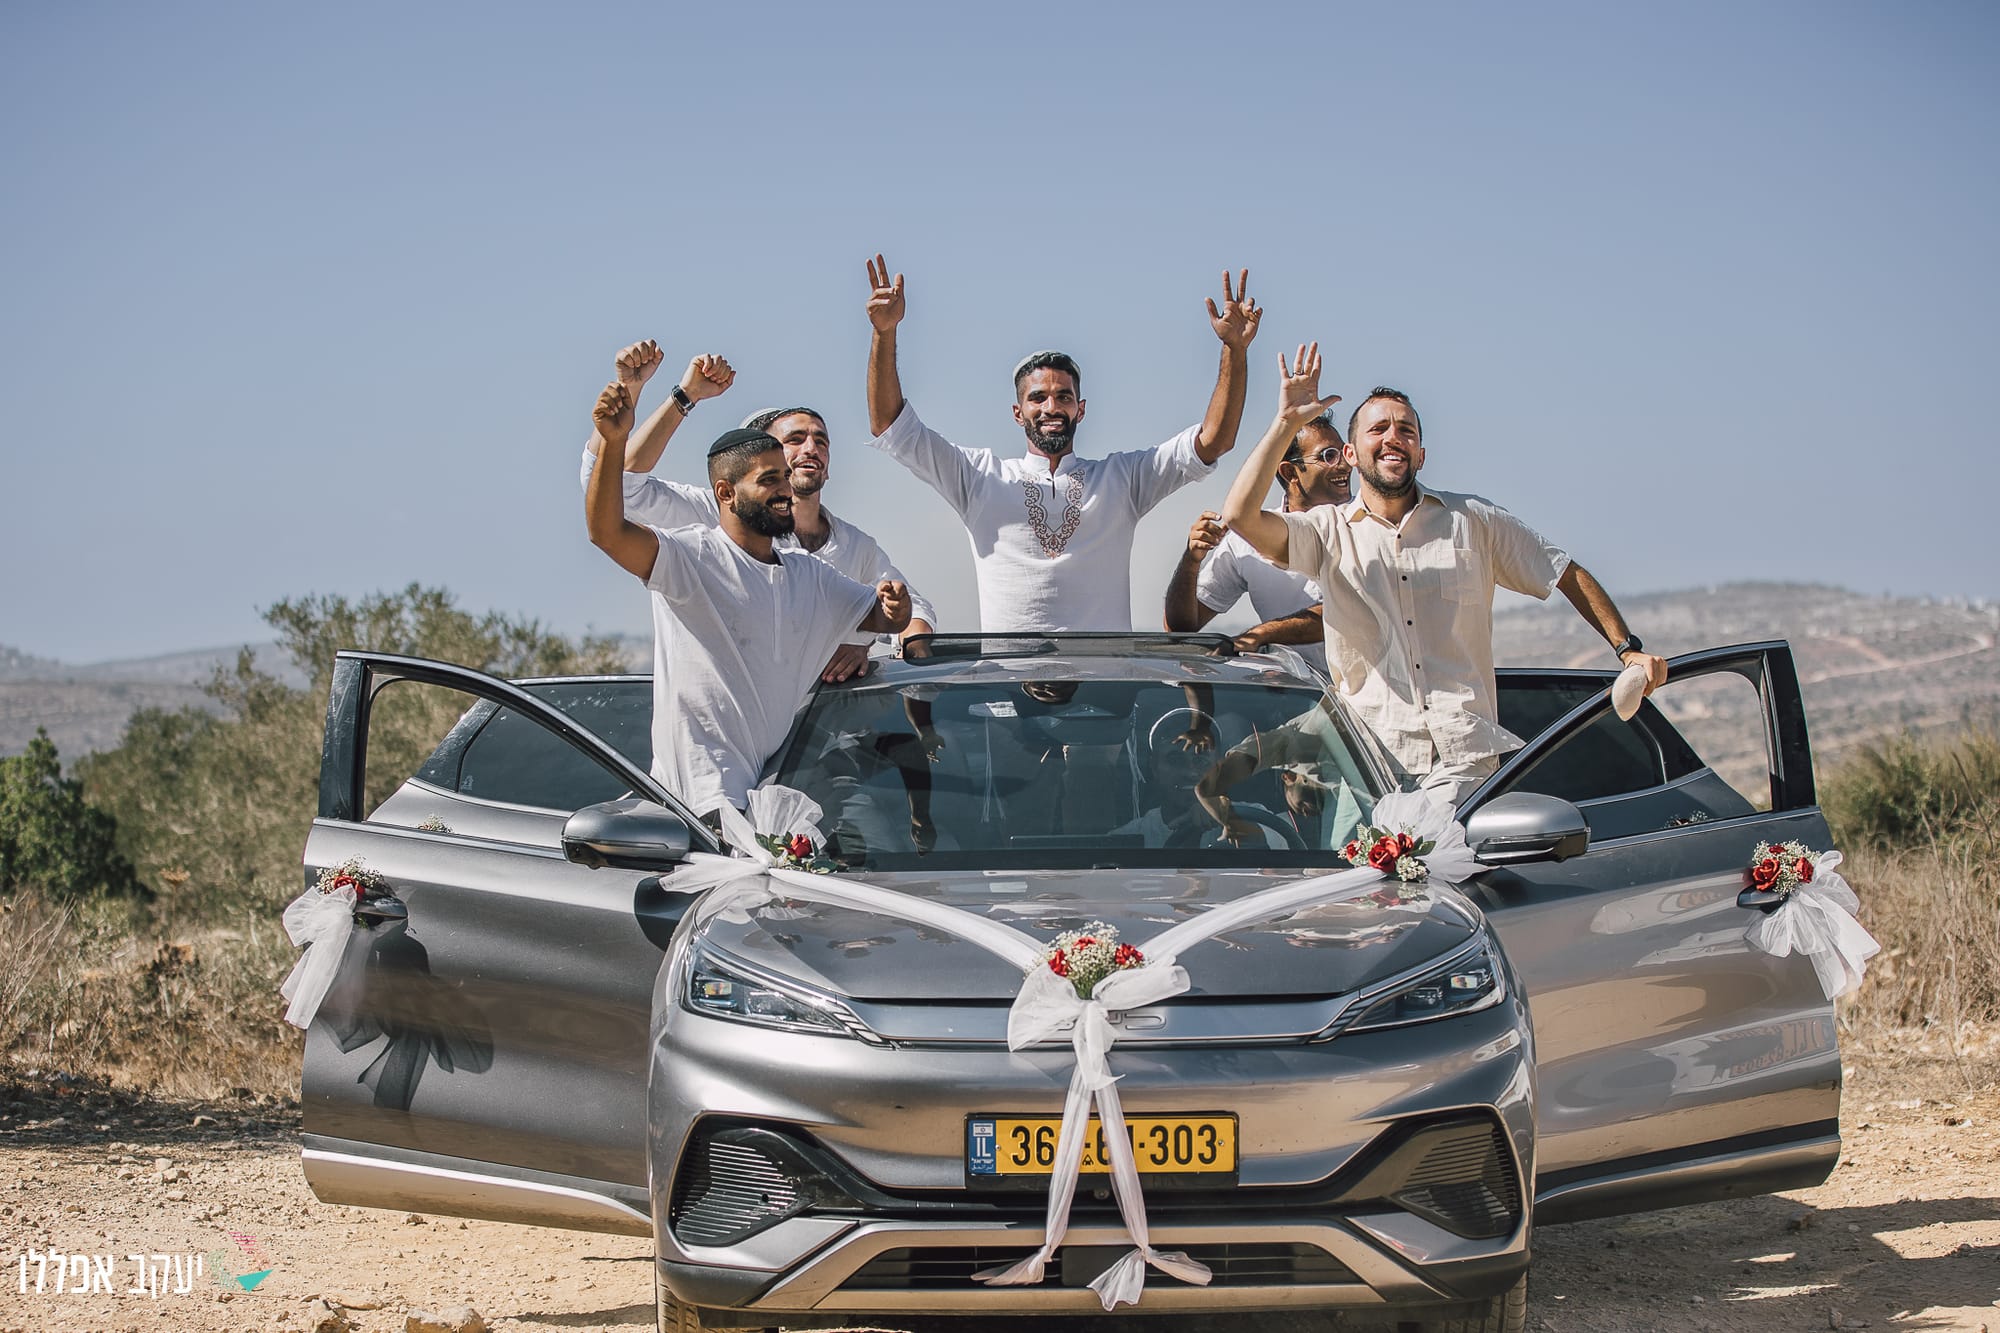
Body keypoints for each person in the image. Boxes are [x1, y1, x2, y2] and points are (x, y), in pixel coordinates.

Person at [1220, 345, 1670, 804]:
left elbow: (1564, 572)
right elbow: (1240, 517)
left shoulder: (1473, 520)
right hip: (1366, 764)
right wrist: (1286, 423)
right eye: (1378, 429)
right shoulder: (1326, 531)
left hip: (1461, 760)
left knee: (1427, 846)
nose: (1393, 437)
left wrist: (1627, 649)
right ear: (1351, 454)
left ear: (1420, 454)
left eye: (1406, 430)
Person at [863, 253, 1261, 631]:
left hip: (1104, 678)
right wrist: (885, 332)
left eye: (1063, 397)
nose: (1051, 407)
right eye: (1037, 398)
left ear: (1080, 409)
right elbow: (891, 427)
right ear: (1017, 412)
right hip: (1008, 678)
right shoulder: (978, 477)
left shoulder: (1122, 480)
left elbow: (1213, 441)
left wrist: (1234, 350)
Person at [585, 379, 911, 818]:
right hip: (704, 804)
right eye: (769, 480)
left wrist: (895, 609)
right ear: (726, 493)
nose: (785, 490)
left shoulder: (809, 574)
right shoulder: (690, 556)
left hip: (770, 796)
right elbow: (607, 532)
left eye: (785, 477)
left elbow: (881, 618)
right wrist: (613, 442)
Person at [582, 339, 936, 681]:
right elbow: (621, 489)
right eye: (794, 440)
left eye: (821, 440)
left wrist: (869, 641)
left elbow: (908, 610)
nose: (811, 449)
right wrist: (678, 396)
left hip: (821, 716)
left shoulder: (853, 547)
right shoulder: (718, 516)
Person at [1164, 410, 1352, 675]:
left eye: (1345, 453)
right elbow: (1181, 628)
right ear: (1290, 472)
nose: (1345, 465)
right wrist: (1191, 559)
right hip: (1297, 694)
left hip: (1371, 694)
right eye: (1329, 456)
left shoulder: (1365, 524)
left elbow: (1346, 611)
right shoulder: (1244, 540)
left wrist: (1261, 635)